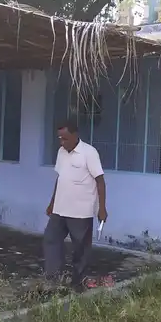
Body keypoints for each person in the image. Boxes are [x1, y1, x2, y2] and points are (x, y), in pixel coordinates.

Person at [43, 120, 108, 291]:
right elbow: (60, 178)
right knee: (51, 239)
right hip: (60, 209)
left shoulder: (89, 153)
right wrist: (52, 203)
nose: (62, 142)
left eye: (65, 138)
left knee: (80, 248)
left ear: (75, 135)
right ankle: (53, 278)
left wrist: (102, 208)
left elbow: (100, 181)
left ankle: (78, 281)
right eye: (59, 139)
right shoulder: (61, 152)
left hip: (80, 211)